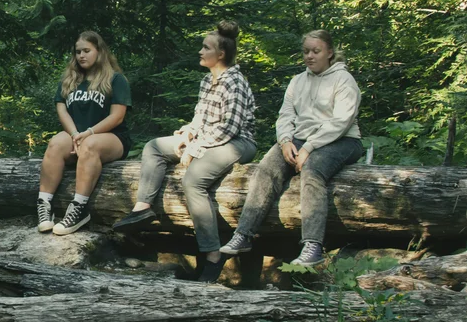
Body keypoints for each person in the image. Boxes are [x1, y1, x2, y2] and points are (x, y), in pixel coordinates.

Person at [113, 21, 257, 283]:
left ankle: (213, 255)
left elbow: (229, 128)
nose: (200, 51)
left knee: (193, 180)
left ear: (220, 54)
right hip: (208, 139)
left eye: (206, 48)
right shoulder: (207, 80)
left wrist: (195, 147)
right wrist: (188, 133)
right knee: (154, 147)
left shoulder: (234, 81)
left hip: (238, 143)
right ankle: (143, 208)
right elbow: (200, 118)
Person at [219, 30, 363, 267]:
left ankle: (313, 245)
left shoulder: (343, 80)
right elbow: (286, 114)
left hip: (342, 140)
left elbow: (341, 122)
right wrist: (285, 141)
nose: (309, 56)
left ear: (329, 52)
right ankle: (243, 234)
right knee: (266, 168)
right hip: (299, 139)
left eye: (316, 51)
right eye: (306, 51)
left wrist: (309, 148)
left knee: (312, 171)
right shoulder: (298, 81)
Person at [35, 31, 132, 235]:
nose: (81, 55)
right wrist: (74, 134)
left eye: (87, 51)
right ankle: (44, 204)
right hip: (77, 135)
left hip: (112, 137)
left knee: (90, 145)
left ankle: (79, 209)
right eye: (78, 51)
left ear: (100, 51)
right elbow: (61, 109)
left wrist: (88, 133)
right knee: (55, 143)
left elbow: (117, 117)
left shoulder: (116, 79)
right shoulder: (70, 80)